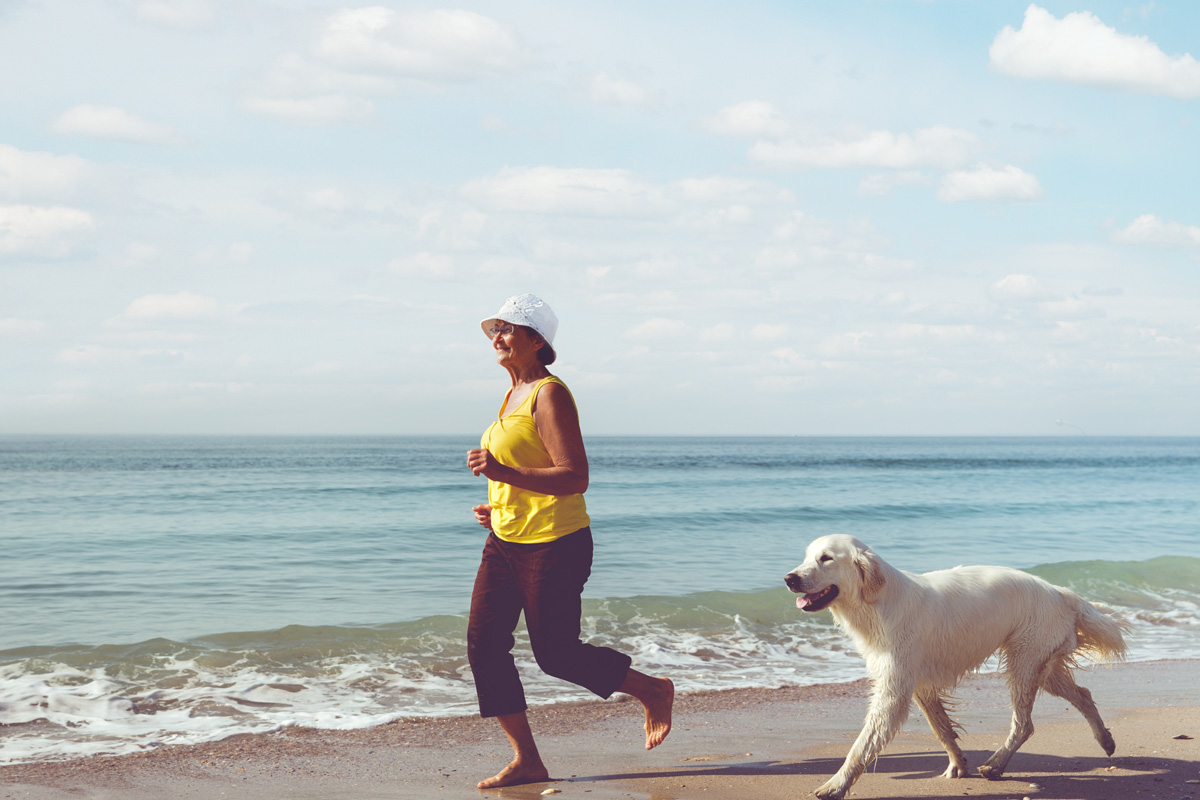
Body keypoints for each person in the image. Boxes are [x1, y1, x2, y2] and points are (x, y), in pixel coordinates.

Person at [465, 293, 674, 790]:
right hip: (506, 539)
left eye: (509, 329)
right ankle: (528, 760)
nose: (498, 337)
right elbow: (526, 473)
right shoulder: (510, 396)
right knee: (483, 646)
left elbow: (573, 476)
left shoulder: (550, 393)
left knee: (555, 654)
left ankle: (651, 689)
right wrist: (498, 504)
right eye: (495, 329)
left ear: (537, 340)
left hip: (556, 543)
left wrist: (499, 469)